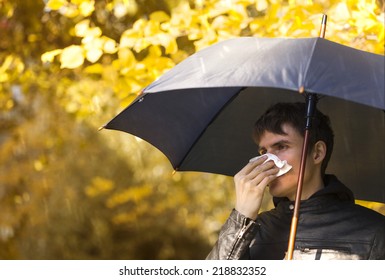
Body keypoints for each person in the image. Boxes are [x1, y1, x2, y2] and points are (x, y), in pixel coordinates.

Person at [206, 102, 385, 260]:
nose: (268, 160)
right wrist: (242, 217)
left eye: (281, 146)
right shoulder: (251, 231)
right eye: (263, 152)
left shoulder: (374, 232)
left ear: (317, 153)